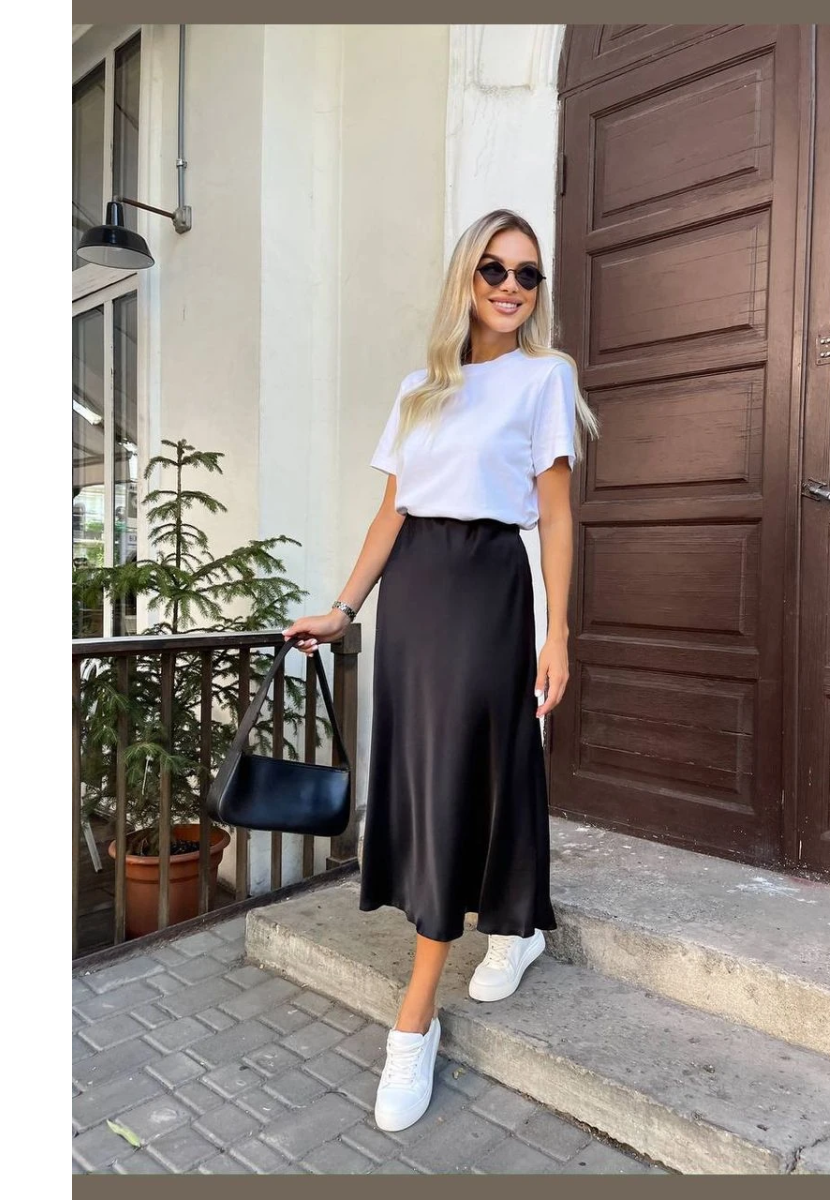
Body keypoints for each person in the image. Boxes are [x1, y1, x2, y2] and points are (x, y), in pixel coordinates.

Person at [283, 208, 598, 1133]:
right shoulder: (418, 387)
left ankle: (415, 1016)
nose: (511, 287)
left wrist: (558, 632)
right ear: (466, 276)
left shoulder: (545, 377)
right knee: (431, 771)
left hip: (487, 582)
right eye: (495, 268)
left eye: (528, 274)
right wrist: (344, 608)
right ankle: (518, 923)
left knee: (473, 768)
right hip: (414, 594)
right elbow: (392, 512)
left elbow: (556, 515)